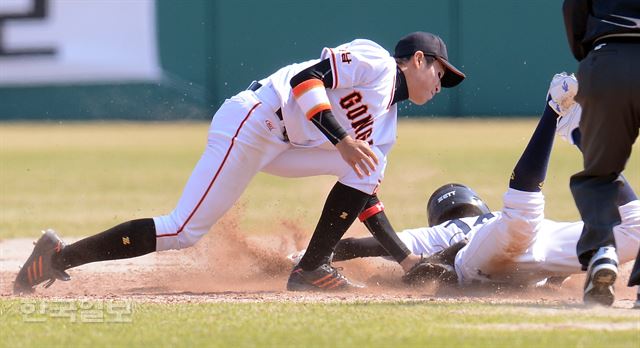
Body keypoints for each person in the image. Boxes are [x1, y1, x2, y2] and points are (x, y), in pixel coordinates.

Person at [13, 32, 466, 293]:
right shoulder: (378, 63)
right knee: (181, 230)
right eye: (441, 73)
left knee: (367, 170)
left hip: (289, 143)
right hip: (255, 119)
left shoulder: (386, 126)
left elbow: (363, 199)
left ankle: (311, 267)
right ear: (418, 59)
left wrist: (407, 263)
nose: (442, 84)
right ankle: (56, 257)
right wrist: (342, 138)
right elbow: (307, 80)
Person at [289, 74, 640, 304]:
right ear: (474, 202)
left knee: (520, 223)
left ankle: (555, 115)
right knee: (633, 229)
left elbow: (359, 245)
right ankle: (575, 133)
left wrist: (302, 258)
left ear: (441, 212)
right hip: (526, 249)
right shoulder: (466, 225)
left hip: (498, 256)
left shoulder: (441, 231)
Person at [562, 1, 640, 306]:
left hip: (607, 59)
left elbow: (574, 9)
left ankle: (603, 252)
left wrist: (589, 54)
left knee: (599, 176)